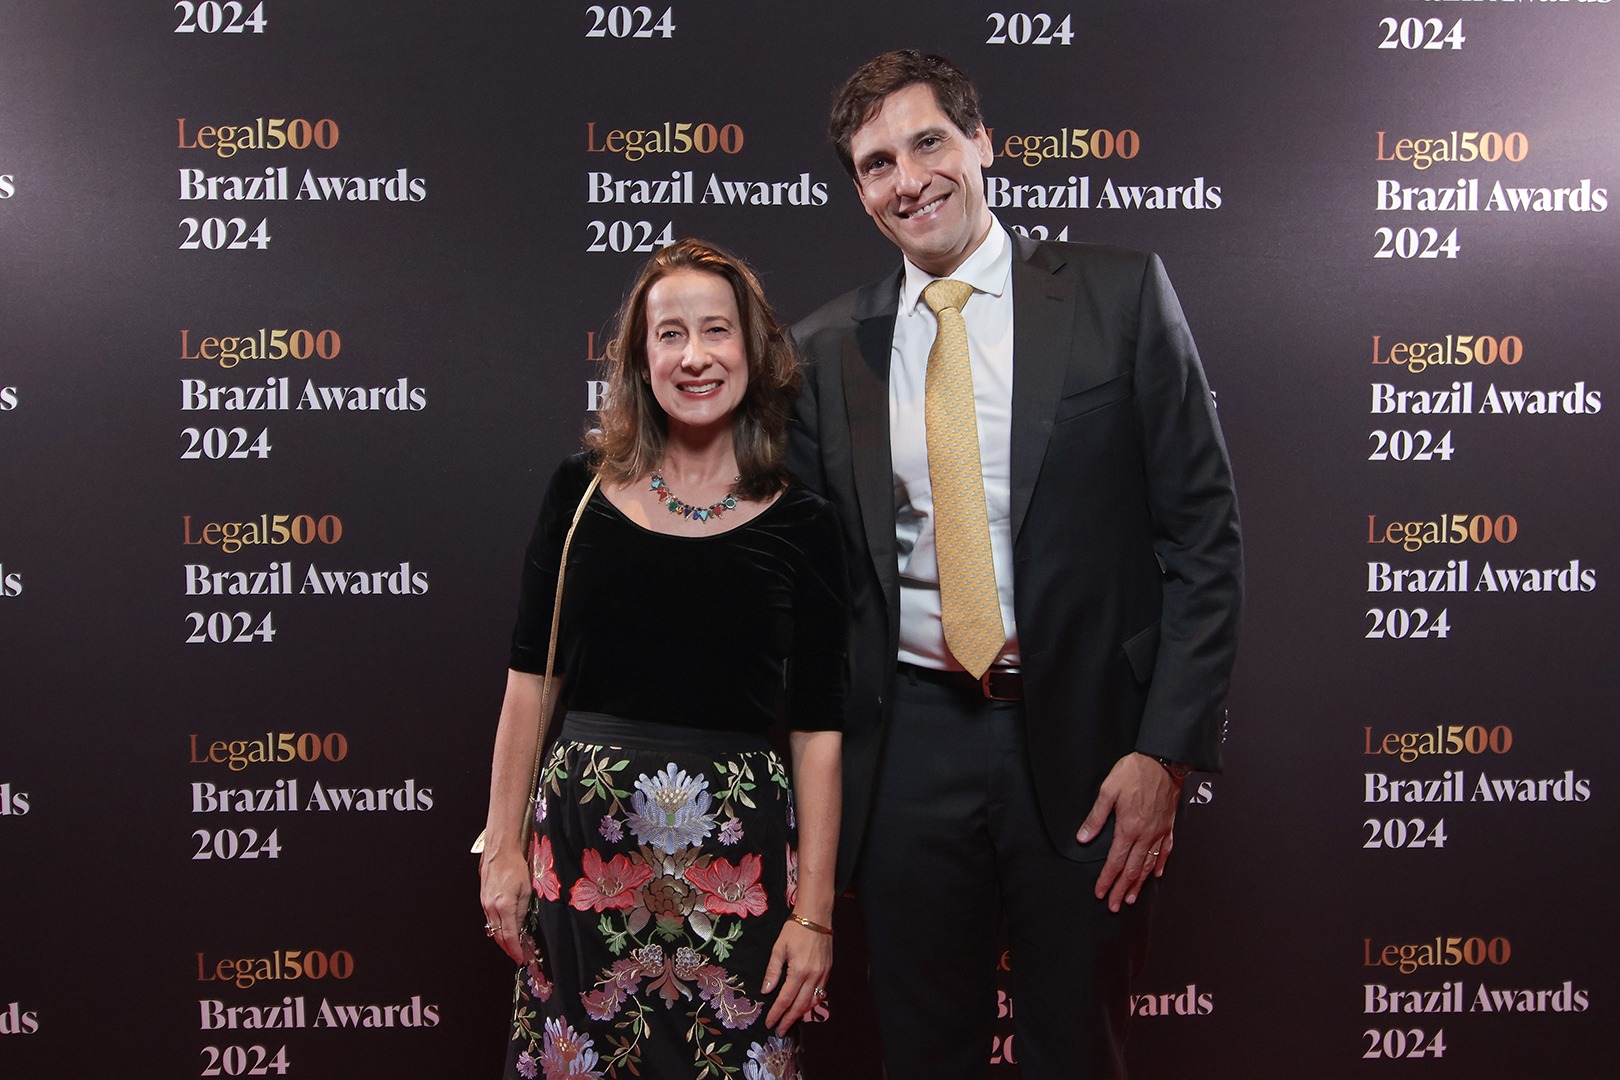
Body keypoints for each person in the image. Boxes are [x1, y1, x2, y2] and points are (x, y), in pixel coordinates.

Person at [788, 51, 1243, 1079]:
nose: (909, 180)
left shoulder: (1119, 295)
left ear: (983, 142)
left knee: (1078, 1049)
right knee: (921, 1053)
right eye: (876, 165)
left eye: (928, 142)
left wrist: (1164, 752)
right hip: (908, 752)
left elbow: (1203, 537)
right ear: (859, 191)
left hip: (1091, 746)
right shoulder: (823, 350)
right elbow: (811, 593)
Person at [480, 238, 847, 1080]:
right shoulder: (578, 492)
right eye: (670, 335)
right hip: (585, 857)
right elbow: (529, 686)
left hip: (739, 863)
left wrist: (815, 914)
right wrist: (501, 851)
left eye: (716, 330)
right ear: (641, 361)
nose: (694, 356)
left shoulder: (805, 523)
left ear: (752, 350)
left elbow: (818, 732)